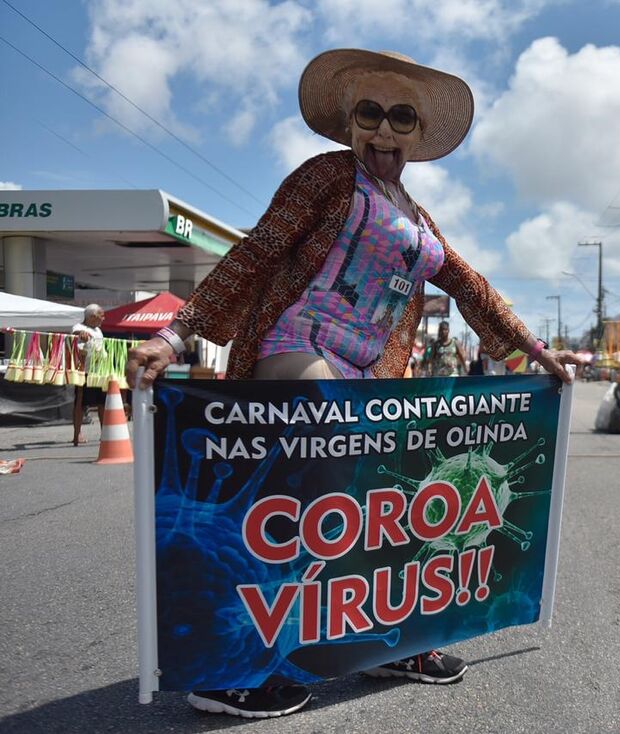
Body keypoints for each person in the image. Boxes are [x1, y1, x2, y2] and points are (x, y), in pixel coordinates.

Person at [125, 49, 583, 718]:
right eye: (370, 113)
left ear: (418, 136)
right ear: (349, 123)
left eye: (402, 117)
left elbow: (469, 286)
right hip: (297, 349)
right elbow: (257, 252)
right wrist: (176, 332)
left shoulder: (419, 219)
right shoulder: (327, 179)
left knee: (393, 492)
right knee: (333, 453)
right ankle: (230, 671)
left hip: (372, 370)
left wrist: (537, 355)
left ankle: (389, 641)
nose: (384, 130)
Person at [71, 304, 106, 446]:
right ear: (92, 316)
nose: (103, 319)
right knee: (80, 401)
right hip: (84, 371)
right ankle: (77, 434)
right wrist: (81, 335)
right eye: (101, 315)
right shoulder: (79, 327)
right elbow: (76, 333)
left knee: (102, 403)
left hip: (99, 371)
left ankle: (105, 433)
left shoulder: (98, 330)